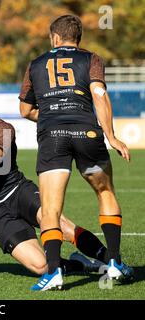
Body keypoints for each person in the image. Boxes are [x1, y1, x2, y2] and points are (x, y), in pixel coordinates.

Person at [0, 86, 109, 282]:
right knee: (40, 266)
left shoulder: (2, 128)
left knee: (63, 226)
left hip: (18, 191)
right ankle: (79, 264)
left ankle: (111, 260)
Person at [19, 15, 133, 290]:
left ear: (55, 38)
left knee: (50, 208)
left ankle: (54, 271)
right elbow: (99, 95)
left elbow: (25, 110)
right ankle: (115, 263)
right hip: (87, 133)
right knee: (105, 193)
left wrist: (50, 116)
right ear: (77, 38)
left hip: (52, 138)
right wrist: (112, 136)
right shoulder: (92, 58)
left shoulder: (36, 64)